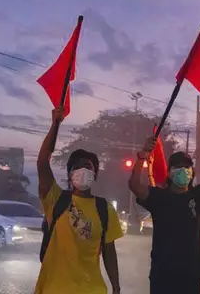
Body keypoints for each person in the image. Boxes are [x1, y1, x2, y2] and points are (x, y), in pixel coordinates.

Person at [129, 126, 200, 294]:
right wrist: (142, 155)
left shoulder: (199, 196)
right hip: (162, 277)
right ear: (169, 173)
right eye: (178, 167)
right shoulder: (158, 198)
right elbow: (134, 185)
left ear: (192, 173)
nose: (183, 170)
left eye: (187, 166)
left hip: (191, 277)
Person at [34, 107, 123, 294]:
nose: (83, 170)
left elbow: (109, 252)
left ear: (95, 174)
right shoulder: (55, 199)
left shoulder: (104, 209)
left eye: (88, 167)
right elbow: (43, 161)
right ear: (69, 174)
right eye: (77, 166)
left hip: (92, 289)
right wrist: (55, 124)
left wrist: (116, 286)